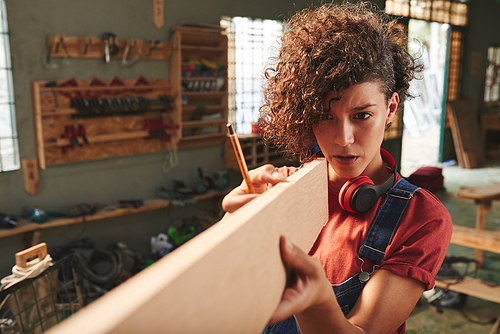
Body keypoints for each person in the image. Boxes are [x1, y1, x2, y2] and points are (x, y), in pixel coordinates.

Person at [222, 2, 452, 334]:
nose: (343, 139)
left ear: (390, 109)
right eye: (325, 116)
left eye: (362, 115)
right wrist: (232, 227)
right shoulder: (280, 191)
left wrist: (316, 304)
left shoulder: (422, 219)